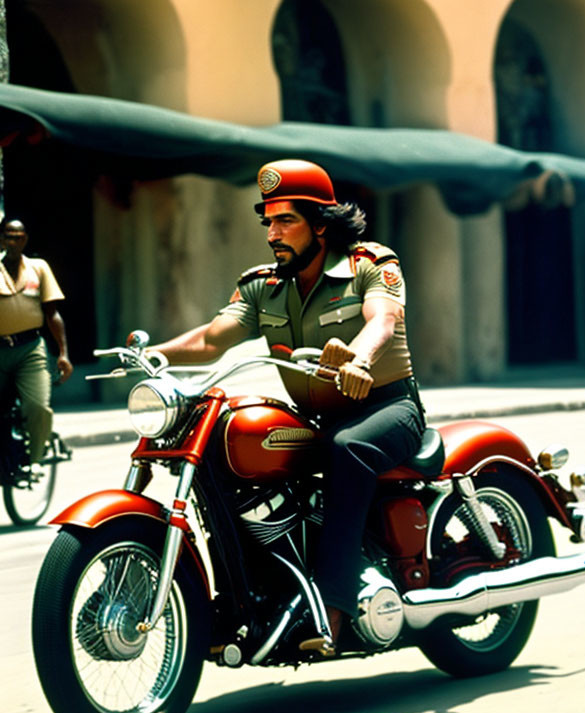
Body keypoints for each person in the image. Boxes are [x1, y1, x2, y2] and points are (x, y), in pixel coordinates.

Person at [149, 159, 425, 653]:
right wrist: (154, 354)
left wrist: (359, 359)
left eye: (285, 221)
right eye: (268, 222)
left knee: (348, 447)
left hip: (387, 408)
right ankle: (248, 599)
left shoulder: (370, 264)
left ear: (320, 225)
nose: (272, 234)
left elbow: (382, 319)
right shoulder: (264, 285)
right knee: (233, 444)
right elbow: (214, 339)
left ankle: (335, 609)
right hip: (318, 416)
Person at [0, 218, 73, 464]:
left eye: (19, 237)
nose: (14, 242)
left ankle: (34, 458)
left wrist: (63, 353)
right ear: (1, 239)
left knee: (38, 408)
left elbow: (52, 313)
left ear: (25, 240)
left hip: (30, 350)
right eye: (9, 236)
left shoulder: (38, 268)